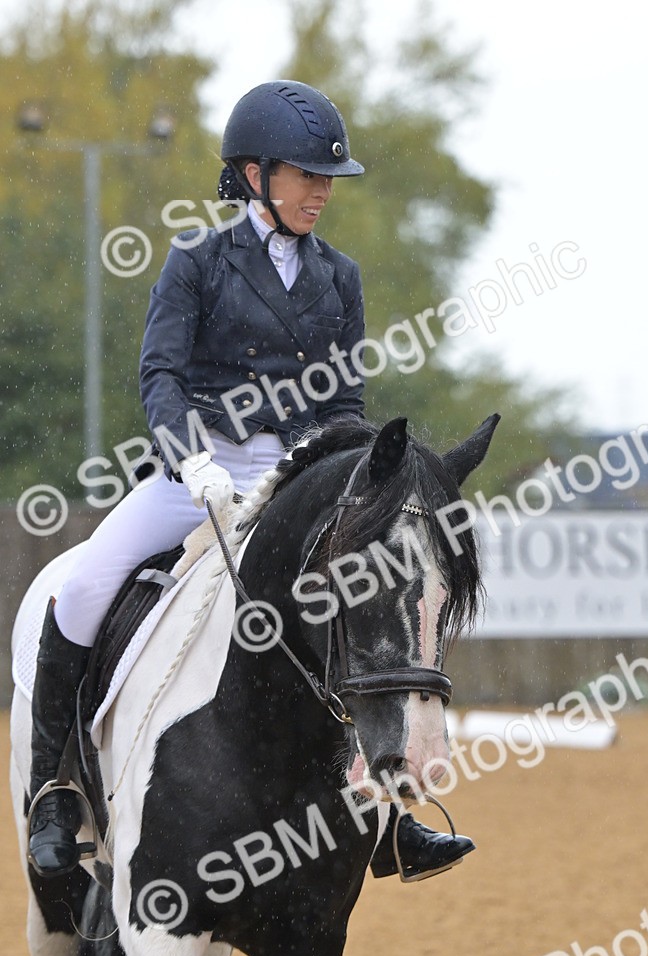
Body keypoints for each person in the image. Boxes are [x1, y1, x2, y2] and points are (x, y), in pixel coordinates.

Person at [27, 80, 474, 883]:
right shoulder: (198, 259)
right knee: (86, 586)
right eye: (307, 175)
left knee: (359, 604)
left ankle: (387, 816)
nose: (321, 191)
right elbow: (161, 375)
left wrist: (342, 478)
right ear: (256, 174)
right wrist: (190, 457)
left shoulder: (340, 276)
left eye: (327, 178)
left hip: (295, 478)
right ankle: (54, 792)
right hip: (197, 471)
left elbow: (343, 404)